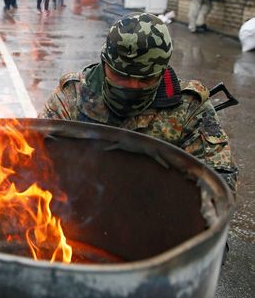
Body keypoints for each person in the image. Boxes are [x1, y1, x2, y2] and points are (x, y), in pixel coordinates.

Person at [39, 12, 238, 192]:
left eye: (145, 79)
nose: (133, 86)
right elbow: (37, 156)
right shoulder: (73, 96)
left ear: (161, 72)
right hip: (84, 201)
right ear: (105, 64)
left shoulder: (189, 107)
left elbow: (219, 182)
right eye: (122, 76)